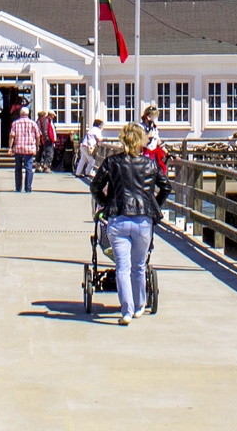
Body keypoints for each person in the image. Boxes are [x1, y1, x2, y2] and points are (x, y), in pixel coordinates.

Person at [90, 124, 168, 325]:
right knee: (139, 266)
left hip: (118, 219)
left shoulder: (112, 162)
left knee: (122, 268)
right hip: (143, 221)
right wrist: (153, 206)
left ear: (122, 140)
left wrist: (106, 203)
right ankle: (140, 306)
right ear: (142, 141)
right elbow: (166, 187)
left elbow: (95, 186)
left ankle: (126, 311)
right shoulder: (150, 165)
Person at [9, 107, 39, 192]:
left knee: (18, 168)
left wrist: (10, 148)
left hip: (18, 148)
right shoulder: (33, 123)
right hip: (29, 149)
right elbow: (38, 136)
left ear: (20, 114)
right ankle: (28, 188)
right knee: (28, 168)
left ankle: (18, 188)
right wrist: (37, 147)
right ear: (28, 114)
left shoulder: (15, 123)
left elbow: (12, 136)